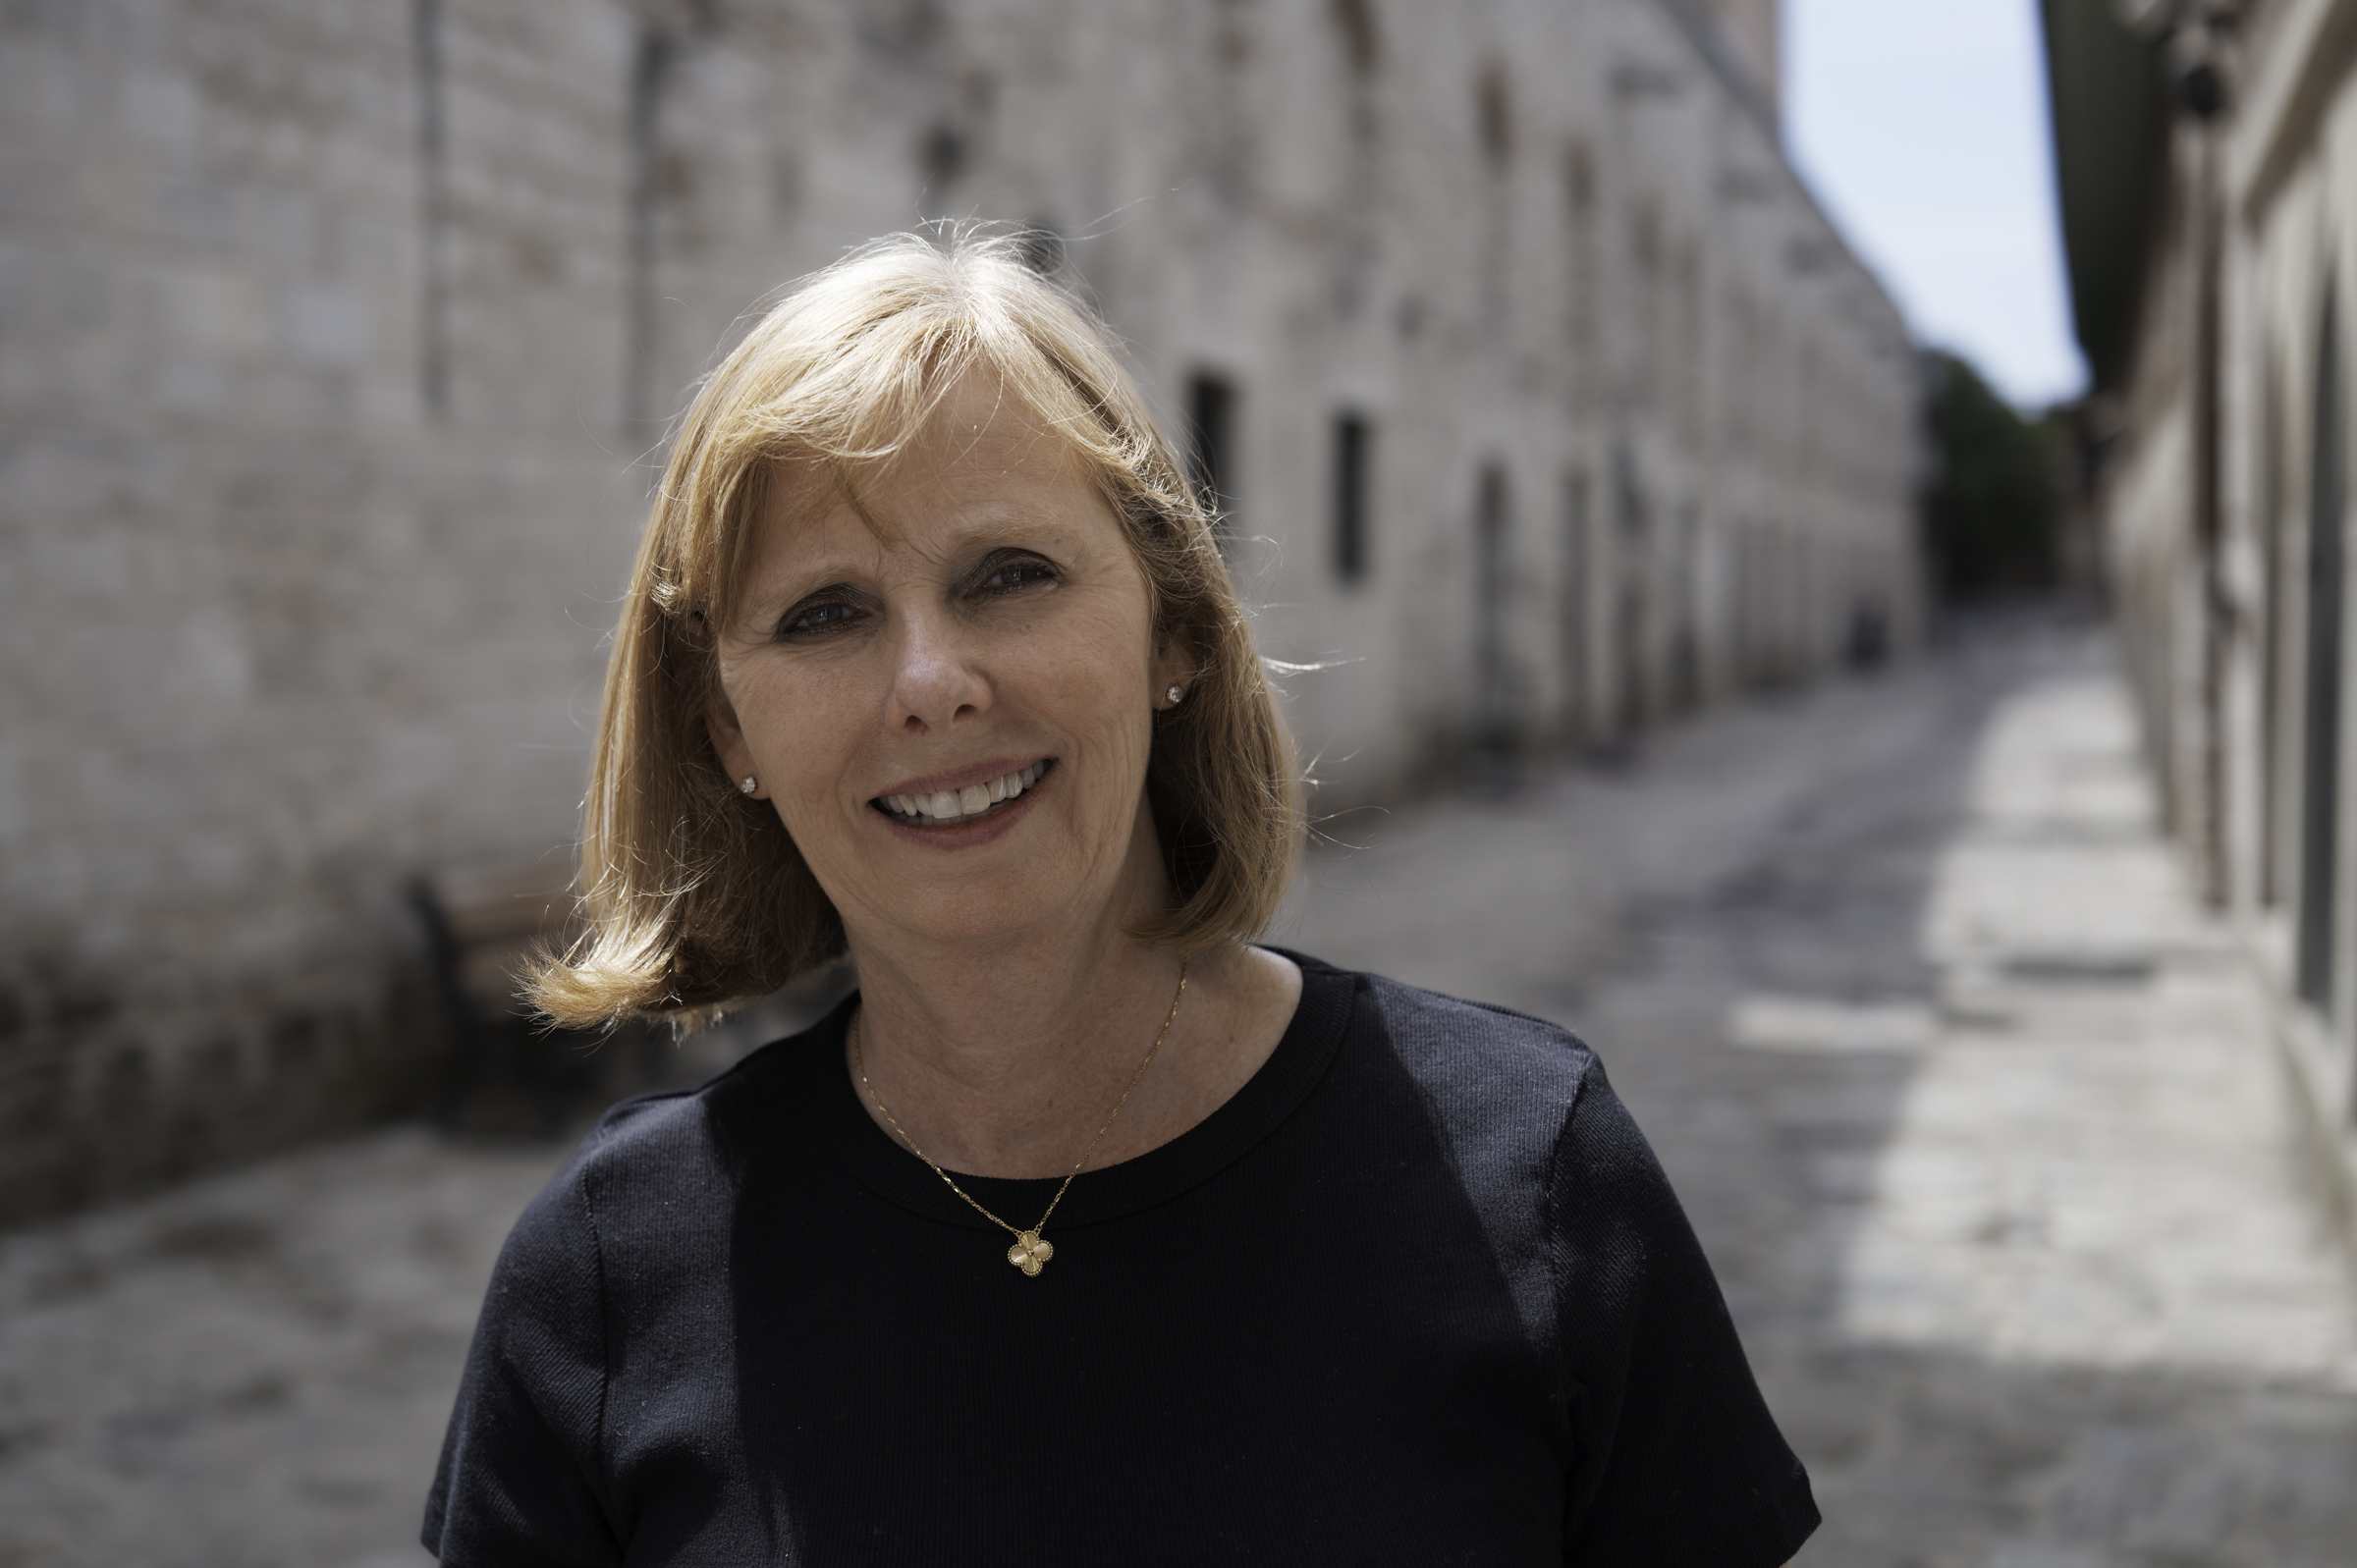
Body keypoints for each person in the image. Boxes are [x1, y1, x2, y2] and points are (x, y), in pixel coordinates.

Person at [423, 227, 1817, 1566]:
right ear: (729, 729)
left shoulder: (1540, 1181)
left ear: (1177, 630)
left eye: (1009, 576)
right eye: (826, 613)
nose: (932, 682)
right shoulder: (608, 1277)